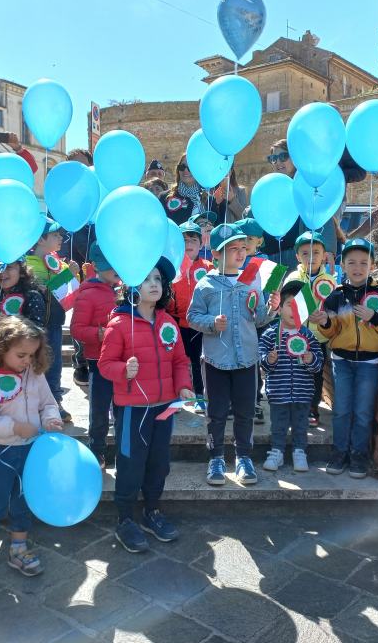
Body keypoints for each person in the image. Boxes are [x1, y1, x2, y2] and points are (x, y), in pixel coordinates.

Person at [98, 258, 194, 553]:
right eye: (147, 279)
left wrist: (184, 386)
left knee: (159, 462)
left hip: (165, 406)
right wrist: (122, 370)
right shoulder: (118, 324)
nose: (154, 284)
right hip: (132, 409)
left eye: (158, 279)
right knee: (130, 462)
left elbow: (179, 360)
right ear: (132, 287)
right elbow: (104, 365)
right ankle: (125, 518)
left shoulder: (168, 323)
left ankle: (152, 511)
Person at [0, 316, 64, 590]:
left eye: (32, 355)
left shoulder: (34, 374)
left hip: (30, 452)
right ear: (1, 349)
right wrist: (13, 427)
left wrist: (50, 419)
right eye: (21, 355)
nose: (26, 361)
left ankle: (19, 547)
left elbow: (47, 403)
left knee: (23, 500)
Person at [187, 224, 279, 486]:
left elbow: (258, 318)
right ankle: (216, 457)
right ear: (216, 254)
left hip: (247, 359)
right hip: (215, 359)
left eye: (242, 248)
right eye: (232, 249)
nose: (240, 253)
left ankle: (243, 457)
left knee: (245, 411)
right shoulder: (205, 284)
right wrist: (211, 323)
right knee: (216, 412)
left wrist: (271, 309)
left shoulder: (251, 280)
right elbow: (192, 316)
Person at [312, 238, 378, 478]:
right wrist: (326, 322)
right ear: (343, 265)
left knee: (362, 411)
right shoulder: (336, 297)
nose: (357, 267)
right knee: (341, 410)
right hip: (342, 362)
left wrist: (375, 317)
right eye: (351, 262)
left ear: (372, 265)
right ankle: (339, 453)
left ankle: (359, 455)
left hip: (369, 364)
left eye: (363, 262)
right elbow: (330, 332)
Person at [259, 281, 324, 472]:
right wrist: (269, 360)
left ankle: (299, 452)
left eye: (299, 306)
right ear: (279, 309)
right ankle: (276, 452)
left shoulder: (309, 336)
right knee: (278, 425)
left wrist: (311, 358)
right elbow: (261, 362)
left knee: (300, 425)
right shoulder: (270, 334)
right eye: (289, 304)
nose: (293, 309)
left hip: (303, 394)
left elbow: (318, 365)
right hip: (278, 393)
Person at [26, 218, 79, 422]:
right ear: (40, 239)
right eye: (55, 235)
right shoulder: (29, 264)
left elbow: (67, 290)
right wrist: (67, 274)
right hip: (35, 326)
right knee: (35, 364)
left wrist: (73, 275)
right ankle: (34, 403)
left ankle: (55, 401)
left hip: (55, 322)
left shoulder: (57, 261)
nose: (60, 238)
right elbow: (43, 290)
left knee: (54, 364)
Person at [71, 243, 120, 465]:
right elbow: (76, 329)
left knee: (122, 410)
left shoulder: (125, 291)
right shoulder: (87, 294)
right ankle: (97, 450)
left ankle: (123, 451)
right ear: (98, 267)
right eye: (111, 266)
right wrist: (98, 334)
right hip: (97, 361)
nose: (116, 270)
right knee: (100, 409)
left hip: (122, 361)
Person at [285, 230, 337, 427]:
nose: (311, 257)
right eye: (305, 253)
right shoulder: (292, 278)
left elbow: (334, 311)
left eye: (316, 252)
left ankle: (312, 408)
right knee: (294, 373)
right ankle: (293, 407)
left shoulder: (331, 281)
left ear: (324, 255)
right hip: (295, 335)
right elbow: (285, 305)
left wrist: (325, 317)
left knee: (315, 375)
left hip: (318, 338)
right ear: (297, 256)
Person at [168, 220, 213, 399]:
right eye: (184, 240)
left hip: (199, 323)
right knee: (176, 360)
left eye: (193, 240)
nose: (188, 244)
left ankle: (200, 394)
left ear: (201, 243)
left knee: (197, 360)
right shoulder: (172, 268)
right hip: (176, 322)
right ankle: (177, 394)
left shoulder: (208, 267)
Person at [64, 148, 94, 388]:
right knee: (80, 319)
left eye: (83, 166)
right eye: (73, 166)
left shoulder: (98, 195)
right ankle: (81, 363)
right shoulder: (60, 200)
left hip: (100, 270)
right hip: (71, 273)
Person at [236, 217, 268, 421]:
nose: (246, 243)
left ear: (259, 241)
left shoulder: (265, 262)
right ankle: (234, 401)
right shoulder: (230, 260)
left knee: (253, 362)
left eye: (251, 238)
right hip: (234, 318)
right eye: (242, 238)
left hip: (257, 319)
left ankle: (255, 400)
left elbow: (273, 289)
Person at [0, 259, 47, 338]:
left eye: (8, 267)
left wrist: (10, 324)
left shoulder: (32, 297)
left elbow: (37, 334)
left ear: (21, 272)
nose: (1, 272)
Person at [262, 140, 304, 268]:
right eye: (273, 158)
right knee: (272, 288)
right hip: (270, 255)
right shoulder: (268, 186)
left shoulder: (305, 185)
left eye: (283, 157)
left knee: (295, 287)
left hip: (295, 255)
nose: (278, 162)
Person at [162, 153, 206, 225]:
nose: (185, 170)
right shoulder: (164, 197)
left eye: (190, 167)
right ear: (178, 170)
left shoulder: (209, 198)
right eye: (182, 167)